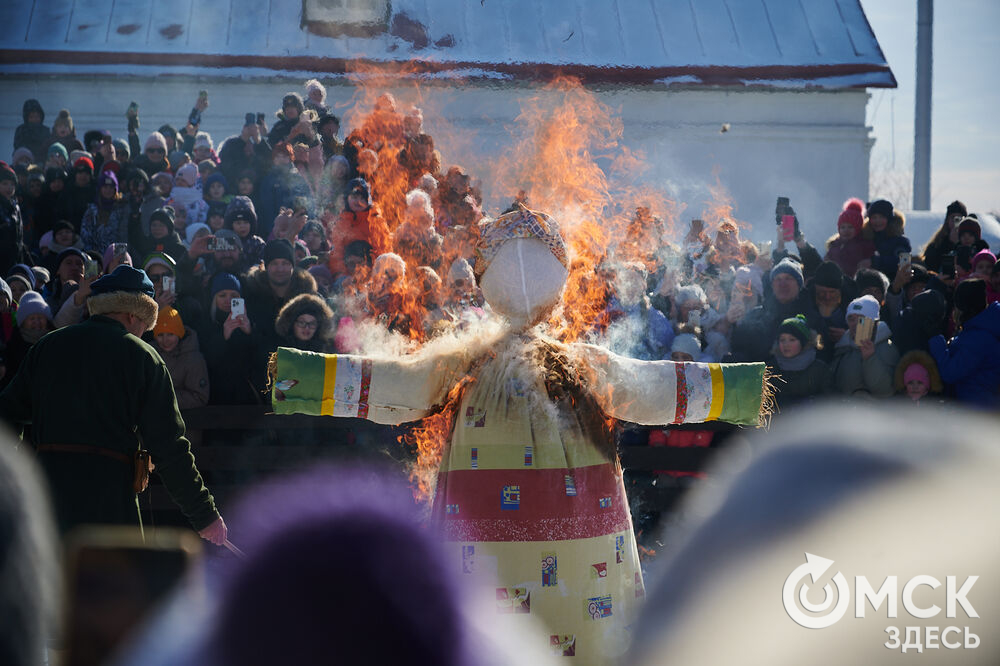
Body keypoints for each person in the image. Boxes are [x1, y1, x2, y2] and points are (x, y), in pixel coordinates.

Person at [0, 265, 226, 542]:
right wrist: (205, 515)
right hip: (111, 506)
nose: (144, 332)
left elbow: (7, 417)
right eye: (146, 324)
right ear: (134, 314)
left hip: (46, 500)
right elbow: (170, 448)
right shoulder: (143, 357)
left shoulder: (47, 346)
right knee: (112, 584)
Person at [929, 279, 1000, 408]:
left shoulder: (978, 338)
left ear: (963, 306)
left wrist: (936, 341)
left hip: (978, 409)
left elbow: (950, 373)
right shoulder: (983, 328)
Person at [828, 294, 899, 398]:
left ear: (874, 322)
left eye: (861, 319)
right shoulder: (843, 347)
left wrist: (870, 359)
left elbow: (885, 391)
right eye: (851, 319)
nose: (855, 324)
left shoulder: (886, 348)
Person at [766, 315, 831, 409]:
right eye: (782, 340)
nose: (786, 345)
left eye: (792, 340)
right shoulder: (770, 369)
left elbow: (829, 401)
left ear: (803, 342)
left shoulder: (819, 369)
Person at [151, 307, 210, 409]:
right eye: (160, 335)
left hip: (188, 419)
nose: (165, 341)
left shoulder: (193, 358)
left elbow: (200, 397)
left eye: (171, 334)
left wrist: (163, 399)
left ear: (179, 334)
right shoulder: (150, 354)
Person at [823, 197, 874, 277]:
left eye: (850, 227)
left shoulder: (863, 246)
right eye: (843, 227)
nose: (846, 230)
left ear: (858, 228)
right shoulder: (835, 244)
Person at [0, 163, 30, 276]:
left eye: (12, 184)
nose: (9, 188)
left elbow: (20, 240)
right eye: (4, 184)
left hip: (15, 262)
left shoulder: (15, 207)